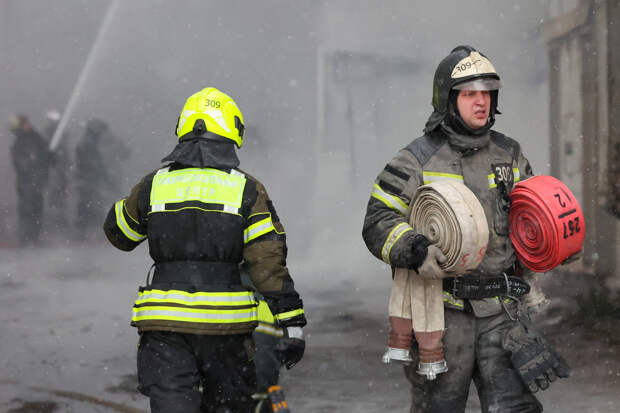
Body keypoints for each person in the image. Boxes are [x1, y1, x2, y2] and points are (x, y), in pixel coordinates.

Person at [362, 46, 569, 412]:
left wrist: (556, 240)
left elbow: (533, 217)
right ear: (448, 99)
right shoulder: (416, 159)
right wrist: (415, 248)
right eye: (470, 94)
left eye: (487, 94)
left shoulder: (510, 154)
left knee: (515, 407)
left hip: (503, 315)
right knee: (439, 407)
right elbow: (378, 220)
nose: (481, 102)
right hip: (441, 315)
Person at [103, 87, 306, 413]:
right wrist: (292, 323)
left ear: (183, 129)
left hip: (165, 327)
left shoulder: (153, 184)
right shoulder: (247, 189)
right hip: (226, 331)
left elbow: (120, 234)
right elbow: (267, 263)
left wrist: (140, 204)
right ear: (232, 132)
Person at [8, 114, 51, 246]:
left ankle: (34, 238)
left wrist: (49, 157)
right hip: (27, 183)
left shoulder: (35, 138)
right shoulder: (20, 142)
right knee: (27, 210)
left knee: (37, 209)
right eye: (25, 123)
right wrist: (33, 165)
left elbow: (45, 156)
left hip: (36, 182)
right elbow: (20, 163)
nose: (28, 125)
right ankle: (26, 238)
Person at [75, 118, 114, 238]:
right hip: (88, 179)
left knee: (88, 204)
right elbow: (94, 163)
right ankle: (84, 232)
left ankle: (85, 231)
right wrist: (103, 177)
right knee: (89, 204)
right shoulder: (88, 143)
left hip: (89, 179)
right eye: (100, 131)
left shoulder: (89, 142)